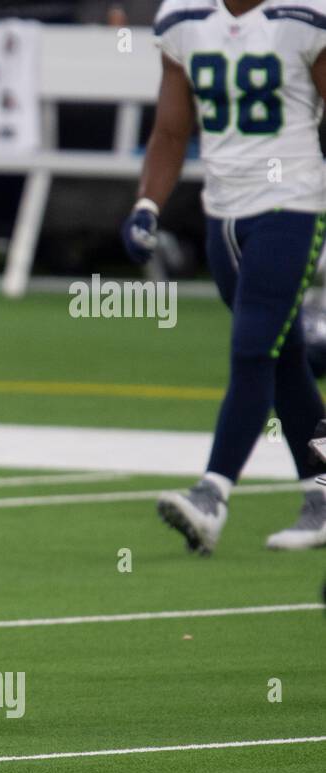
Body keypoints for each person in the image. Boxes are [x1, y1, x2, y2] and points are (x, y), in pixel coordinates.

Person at [125, 0, 326, 553]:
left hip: (293, 203)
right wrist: (148, 204)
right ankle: (322, 495)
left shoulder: (302, 16)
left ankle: (212, 492)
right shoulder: (185, 19)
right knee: (280, 359)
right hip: (223, 213)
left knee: (253, 348)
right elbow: (170, 130)